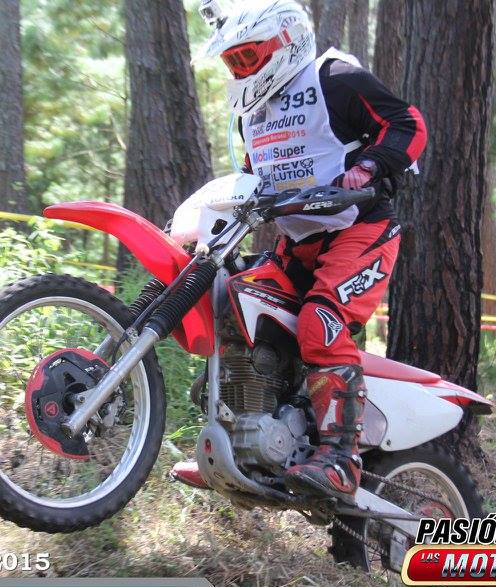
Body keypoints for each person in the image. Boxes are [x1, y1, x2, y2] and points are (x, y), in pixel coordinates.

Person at [174, 0, 427, 503]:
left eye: (249, 57)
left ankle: (341, 460)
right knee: (234, 306)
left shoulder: (334, 78)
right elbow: (251, 179)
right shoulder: (250, 115)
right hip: (297, 244)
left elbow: (408, 123)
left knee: (320, 323)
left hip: (359, 230)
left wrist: (370, 167)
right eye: (233, 61)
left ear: (285, 42)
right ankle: (238, 443)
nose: (241, 70)